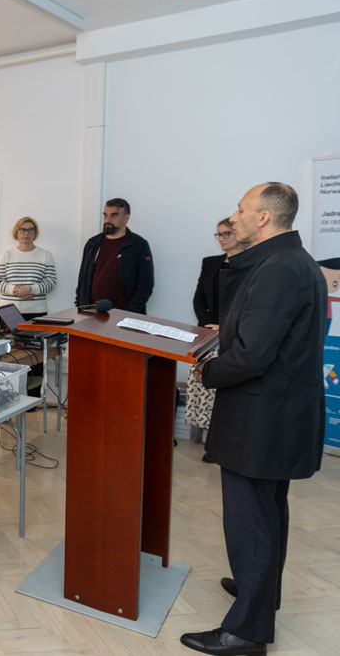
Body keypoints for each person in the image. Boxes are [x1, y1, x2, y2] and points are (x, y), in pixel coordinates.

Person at [181, 183, 326, 656]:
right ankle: (258, 592)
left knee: (253, 521)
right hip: (276, 413)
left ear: (264, 217)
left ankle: (246, 632)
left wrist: (207, 370)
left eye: (241, 210)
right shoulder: (288, 261)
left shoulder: (278, 267)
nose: (234, 217)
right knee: (267, 512)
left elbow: (251, 355)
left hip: (264, 416)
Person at [186, 218, 250, 453]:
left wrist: (225, 328)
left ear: (239, 234)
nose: (222, 239)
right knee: (203, 388)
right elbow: (199, 299)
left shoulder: (252, 265)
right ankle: (207, 441)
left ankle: (222, 442)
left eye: (226, 234)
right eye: (219, 235)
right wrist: (207, 327)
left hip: (234, 336)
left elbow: (248, 306)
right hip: (206, 335)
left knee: (223, 394)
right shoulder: (210, 263)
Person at [75, 198, 154, 314]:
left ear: (126, 218)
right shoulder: (92, 244)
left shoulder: (138, 245)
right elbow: (82, 279)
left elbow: (145, 286)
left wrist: (130, 313)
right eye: (105, 215)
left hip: (125, 317)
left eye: (114, 215)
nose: (108, 220)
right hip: (91, 314)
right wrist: (80, 307)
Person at [0, 217, 57, 318]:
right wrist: (16, 290)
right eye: (22, 229)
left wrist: (30, 289)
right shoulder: (6, 255)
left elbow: (51, 282)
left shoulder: (46, 255)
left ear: (35, 233)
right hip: (8, 311)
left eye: (30, 229)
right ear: (16, 232)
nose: (26, 233)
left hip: (36, 311)